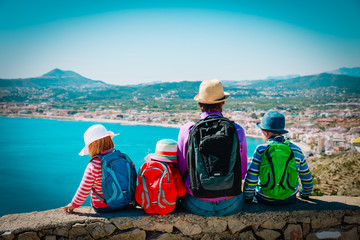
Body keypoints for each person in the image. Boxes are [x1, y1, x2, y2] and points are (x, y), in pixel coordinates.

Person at [177, 79, 247, 216]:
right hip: (230, 202)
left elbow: (182, 169)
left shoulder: (188, 129)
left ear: (199, 104)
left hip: (197, 203)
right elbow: (242, 171)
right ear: (223, 102)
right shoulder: (236, 130)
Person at [244, 110, 313, 205]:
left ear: (265, 132)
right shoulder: (296, 150)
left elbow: (252, 177)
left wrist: (248, 197)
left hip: (264, 198)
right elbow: (306, 177)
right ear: (282, 132)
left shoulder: (261, 150)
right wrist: (304, 194)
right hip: (289, 198)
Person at [63, 124, 128, 213]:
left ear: (92, 146)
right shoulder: (122, 158)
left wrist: (74, 204)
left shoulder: (94, 164)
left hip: (103, 206)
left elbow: (84, 189)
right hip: (124, 203)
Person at [135, 139, 186, 215]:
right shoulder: (173, 171)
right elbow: (181, 192)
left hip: (146, 205)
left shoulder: (146, 167)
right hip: (167, 207)